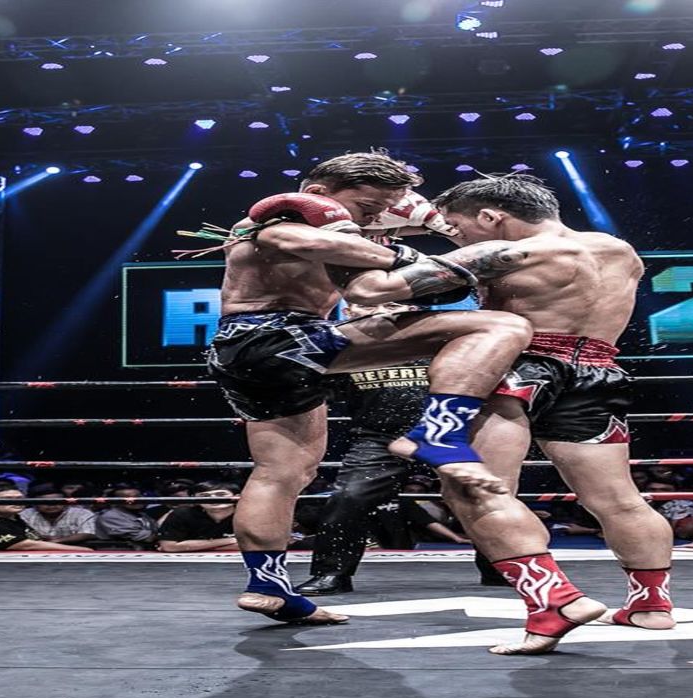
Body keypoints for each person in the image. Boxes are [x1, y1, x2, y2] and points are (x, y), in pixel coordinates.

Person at [179, 152, 534, 624]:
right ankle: (440, 430)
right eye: (366, 207)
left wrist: (434, 227)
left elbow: (434, 234)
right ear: (320, 194)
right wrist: (415, 261)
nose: (370, 219)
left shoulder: (346, 229)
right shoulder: (282, 220)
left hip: (256, 351)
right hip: (277, 337)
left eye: (378, 210)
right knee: (500, 326)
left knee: (284, 472)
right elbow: (303, 240)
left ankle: (268, 587)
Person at [342, 173, 669, 654]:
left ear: (491, 216)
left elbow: (371, 292)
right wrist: (430, 228)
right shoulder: (617, 250)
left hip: (518, 371)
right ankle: (650, 605)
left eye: (458, 225)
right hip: (598, 372)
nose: (455, 234)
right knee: (618, 500)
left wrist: (356, 239)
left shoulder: (504, 254)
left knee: (475, 489)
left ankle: (553, 602)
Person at [297, 302, 496, 595]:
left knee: (483, 495)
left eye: (392, 303)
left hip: (447, 433)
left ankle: (500, 568)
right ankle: (331, 573)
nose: (381, 310)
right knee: (348, 497)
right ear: (349, 312)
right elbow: (307, 395)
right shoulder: (340, 351)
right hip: (378, 437)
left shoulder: (443, 340)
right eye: (368, 305)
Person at [0, 487, 94, 551]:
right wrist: (81, 550)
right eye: (8, 499)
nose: (16, 502)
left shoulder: (12, 517)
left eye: (19, 499)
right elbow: (26, 545)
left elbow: (33, 540)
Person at [157, 481, 240, 552]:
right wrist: (231, 540)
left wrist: (195, 546)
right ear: (195, 499)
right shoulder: (182, 513)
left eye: (221, 494)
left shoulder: (246, 514)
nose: (213, 498)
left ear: (236, 497)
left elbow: (246, 546)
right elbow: (169, 546)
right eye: (205, 496)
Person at [19, 490, 97, 546]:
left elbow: (88, 533)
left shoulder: (82, 513)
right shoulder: (25, 514)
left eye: (56, 502)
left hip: (74, 549)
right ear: (35, 505)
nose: (51, 505)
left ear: (66, 503)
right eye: (45, 502)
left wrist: (57, 541)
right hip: (34, 550)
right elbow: (19, 534)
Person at [94, 486, 159, 549]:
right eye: (129, 498)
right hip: (119, 553)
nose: (137, 500)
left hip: (141, 552)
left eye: (138, 496)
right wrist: (163, 535)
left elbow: (158, 530)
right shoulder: (111, 516)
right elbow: (148, 538)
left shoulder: (140, 514)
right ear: (116, 501)